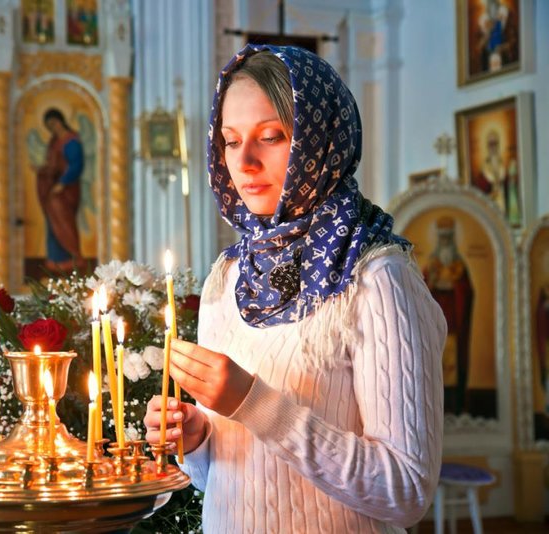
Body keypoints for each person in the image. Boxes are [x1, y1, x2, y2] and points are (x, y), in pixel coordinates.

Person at [144, 45, 446, 532]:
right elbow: (223, 479)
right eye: (229, 140)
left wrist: (255, 404)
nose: (243, 161)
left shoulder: (377, 277)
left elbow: (405, 491)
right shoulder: (228, 277)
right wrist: (198, 440)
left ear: (318, 143)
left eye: (270, 136)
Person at [423, 216, 474, 415]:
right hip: (435, 321)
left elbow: (468, 292)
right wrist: (432, 284)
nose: (444, 241)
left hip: (454, 320)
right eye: (441, 237)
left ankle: (455, 405)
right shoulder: (432, 265)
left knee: (454, 361)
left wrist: (456, 287)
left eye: (448, 238)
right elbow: (421, 291)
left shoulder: (460, 266)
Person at [36, 108, 84, 274]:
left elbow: (76, 165)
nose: (51, 128)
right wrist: (43, 170)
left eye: (52, 123)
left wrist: (62, 183)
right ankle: (55, 261)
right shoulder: (54, 141)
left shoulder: (71, 141)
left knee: (65, 224)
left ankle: (73, 258)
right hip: (54, 190)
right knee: (53, 224)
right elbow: (53, 165)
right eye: (48, 126)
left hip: (66, 191)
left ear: (59, 121)